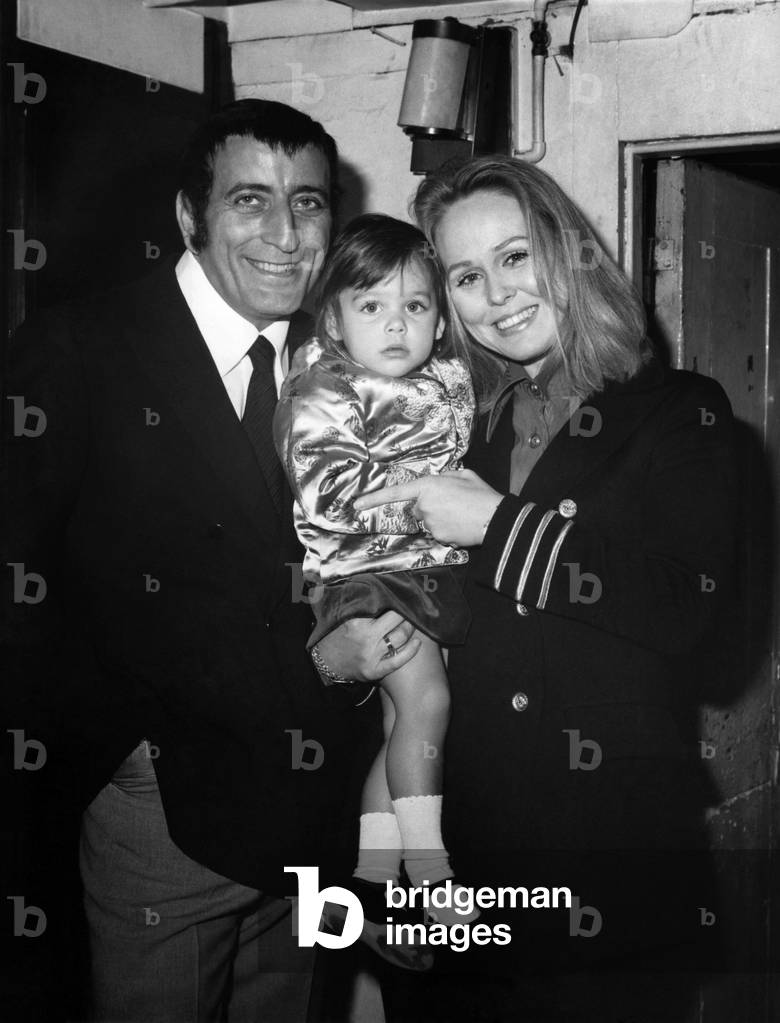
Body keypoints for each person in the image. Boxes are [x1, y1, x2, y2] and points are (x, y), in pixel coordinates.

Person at [3, 99, 416, 1023]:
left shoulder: (346, 360)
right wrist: (118, 757)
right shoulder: (79, 347)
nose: (285, 234)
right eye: (249, 200)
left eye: (308, 203)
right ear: (190, 214)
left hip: (311, 809)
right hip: (164, 819)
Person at [346, 156, 738, 1022]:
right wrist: (349, 655)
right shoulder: (453, 425)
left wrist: (497, 524)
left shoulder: (680, 410)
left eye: (515, 257)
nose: (496, 295)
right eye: (466, 276)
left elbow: (691, 610)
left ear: (568, 254)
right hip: (457, 855)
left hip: (608, 854)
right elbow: (405, 633)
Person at [274, 214, 478, 965]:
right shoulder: (326, 389)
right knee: (430, 703)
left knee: (402, 734)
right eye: (371, 305)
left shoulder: (442, 379)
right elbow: (330, 496)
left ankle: (370, 879)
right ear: (333, 320)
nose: (397, 323)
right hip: (367, 575)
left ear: (440, 319)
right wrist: (438, 504)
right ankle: (430, 869)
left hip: (427, 570)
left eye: (415, 305)